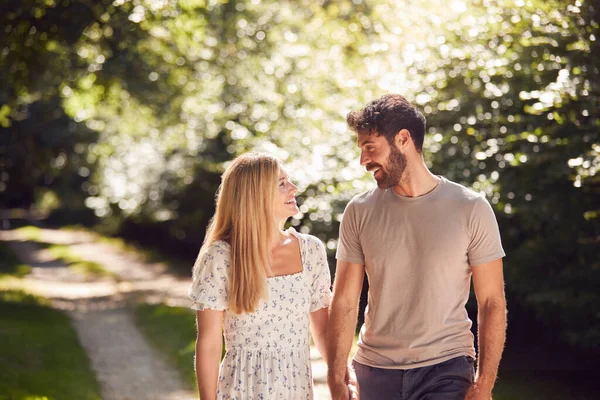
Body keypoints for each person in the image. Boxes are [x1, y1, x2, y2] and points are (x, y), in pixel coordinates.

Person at [327, 94, 507, 400]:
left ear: (403, 139)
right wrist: (335, 375)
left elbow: (491, 301)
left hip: (446, 369)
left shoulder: (470, 208)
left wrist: (484, 382)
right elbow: (344, 300)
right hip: (374, 370)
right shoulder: (359, 211)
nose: (363, 161)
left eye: (370, 147)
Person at [188, 153, 331, 400]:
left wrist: (342, 376)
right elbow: (209, 344)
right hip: (241, 390)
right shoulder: (221, 257)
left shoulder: (311, 250)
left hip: (296, 390)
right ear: (256, 196)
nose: (294, 188)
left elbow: (324, 329)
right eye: (282, 183)